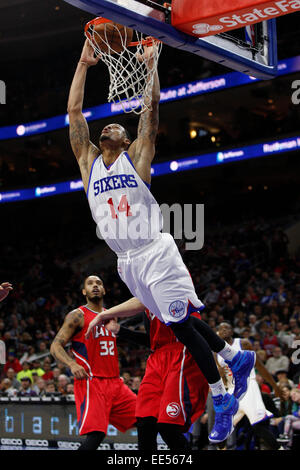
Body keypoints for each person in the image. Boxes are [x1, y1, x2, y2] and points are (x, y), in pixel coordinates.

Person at [67, 39, 255, 443]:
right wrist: (83, 64)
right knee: (180, 320)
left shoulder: (138, 158)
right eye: (106, 127)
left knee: (181, 327)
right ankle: (236, 357)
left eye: (118, 126)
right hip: (126, 261)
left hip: (154, 249)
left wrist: (152, 65)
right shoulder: (87, 164)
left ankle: (221, 395)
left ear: (128, 139)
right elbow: (74, 112)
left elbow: (150, 112)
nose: (109, 127)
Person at [103, 298, 209, 452]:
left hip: (181, 353)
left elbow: (196, 332)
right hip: (157, 358)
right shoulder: (147, 303)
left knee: (168, 426)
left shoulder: (176, 290)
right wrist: (119, 330)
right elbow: (151, 341)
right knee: (145, 422)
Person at [50, 275, 137, 451]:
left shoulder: (111, 315)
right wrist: (72, 364)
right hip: (92, 382)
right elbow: (55, 346)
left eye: (98, 283)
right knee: (96, 435)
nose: (95, 286)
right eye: (90, 284)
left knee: (146, 419)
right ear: (84, 291)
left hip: (115, 383)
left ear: (104, 290)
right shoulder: (77, 315)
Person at [215, 322, 283, 450]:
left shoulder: (243, 343)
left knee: (258, 425)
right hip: (232, 390)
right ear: (217, 332)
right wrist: (221, 376)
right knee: (221, 429)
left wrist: (275, 386)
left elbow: (260, 366)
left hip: (248, 386)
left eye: (227, 328)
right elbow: (222, 379)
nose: (224, 330)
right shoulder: (216, 352)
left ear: (231, 331)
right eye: (221, 329)